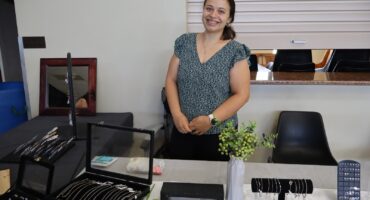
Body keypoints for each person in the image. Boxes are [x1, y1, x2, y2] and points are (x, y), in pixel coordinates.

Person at [165, 0, 251, 161]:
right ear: (203, 11)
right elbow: (170, 80)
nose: (213, 15)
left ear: (229, 18)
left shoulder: (236, 51)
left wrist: (211, 120)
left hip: (219, 135)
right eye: (209, 9)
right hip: (183, 129)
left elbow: (242, 94)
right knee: (179, 181)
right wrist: (176, 115)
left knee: (215, 183)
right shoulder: (184, 42)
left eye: (221, 11)